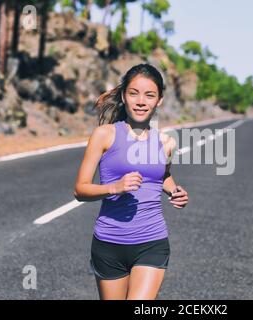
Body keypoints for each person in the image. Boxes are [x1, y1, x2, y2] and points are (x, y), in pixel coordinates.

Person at [73, 63, 189, 300]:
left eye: (150, 95)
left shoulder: (165, 142)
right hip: (109, 242)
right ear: (124, 96)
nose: (141, 101)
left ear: (159, 101)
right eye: (134, 93)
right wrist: (114, 187)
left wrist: (174, 190)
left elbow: (161, 175)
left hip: (152, 241)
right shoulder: (105, 135)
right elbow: (80, 189)